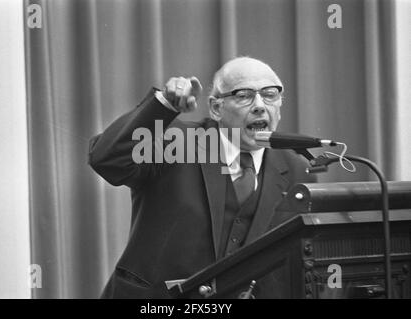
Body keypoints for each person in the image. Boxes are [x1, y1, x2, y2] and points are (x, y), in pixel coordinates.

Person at [88, 57, 316, 298]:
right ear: (216, 108)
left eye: (270, 94)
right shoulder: (177, 142)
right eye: (243, 95)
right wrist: (164, 105)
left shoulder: (297, 168)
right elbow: (108, 159)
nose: (260, 105)